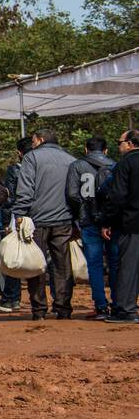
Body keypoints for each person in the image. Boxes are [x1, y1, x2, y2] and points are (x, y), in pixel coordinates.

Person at [11, 127, 77, 320]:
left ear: (39, 140)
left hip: (36, 221)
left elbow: (25, 189)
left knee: (35, 265)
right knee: (62, 265)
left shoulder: (31, 158)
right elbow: (74, 193)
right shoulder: (71, 159)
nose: (31, 144)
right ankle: (63, 308)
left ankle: (39, 309)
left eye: (32, 141)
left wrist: (19, 214)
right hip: (64, 220)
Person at [67, 136, 118, 320]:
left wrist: (79, 213)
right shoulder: (114, 165)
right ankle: (118, 303)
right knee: (114, 263)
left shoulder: (77, 166)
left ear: (86, 149)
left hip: (88, 220)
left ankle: (101, 306)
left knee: (95, 265)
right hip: (111, 221)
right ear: (105, 150)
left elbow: (72, 194)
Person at [0, 136, 34, 313]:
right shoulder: (43, 167)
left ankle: (11, 298)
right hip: (42, 217)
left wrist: (7, 221)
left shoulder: (16, 170)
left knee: (13, 257)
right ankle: (44, 301)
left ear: (19, 153)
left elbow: (9, 197)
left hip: (19, 218)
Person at [101, 129, 139, 323]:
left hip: (131, 223)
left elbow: (116, 196)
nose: (119, 146)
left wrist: (107, 221)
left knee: (128, 266)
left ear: (130, 144)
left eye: (120, 142)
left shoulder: (125, 163)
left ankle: (126, 309)